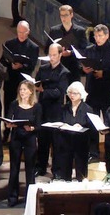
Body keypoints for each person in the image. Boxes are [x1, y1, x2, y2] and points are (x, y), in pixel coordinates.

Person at [83, 24, 110, 161]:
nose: (98, 38)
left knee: (109, 124)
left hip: (108, 93)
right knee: (92, 123)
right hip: (93, 91)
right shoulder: (90, 50)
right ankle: (92, 153)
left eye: (100, 36)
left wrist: (104, 73)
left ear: (107, 36)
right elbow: (82, 67)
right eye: (96, 36)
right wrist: (85, 70)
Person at [4, 80, 42, 207]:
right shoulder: (14, 104)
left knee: (30, 169)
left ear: (31, 91)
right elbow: (9, 119)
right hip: (16, 138)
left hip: (30, 138)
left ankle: (29, 198)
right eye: (21, 89)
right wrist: (9, 124)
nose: (22, 92)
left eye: (25, 89)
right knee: (14, 168)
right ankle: (12, 197)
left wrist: (31, 129)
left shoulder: (37, 106)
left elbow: (38, 126)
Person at [35, 43, 70, 177]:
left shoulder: (64, 72)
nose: (51, 57)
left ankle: (57, 170)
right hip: (43, 109)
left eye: (54, 55)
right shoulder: (43, 68)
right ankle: (41, 167)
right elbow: (37, 82)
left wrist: (44, 90)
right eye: (50, 54)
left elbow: (60, 92)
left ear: (61, 55)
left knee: (56, 143)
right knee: (42, 141)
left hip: (56, 111)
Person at [1, 20, 39, 143]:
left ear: (28, 32)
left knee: (23, 109)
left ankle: (20, 134)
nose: (21, 34)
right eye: (19, 32)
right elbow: (2, 61)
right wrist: (10, 64)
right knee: (8, 107)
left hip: (24, 83)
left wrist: (21, 66)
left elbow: (32, 66)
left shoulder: (33, 47)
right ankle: (6, 133)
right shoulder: (9, 43)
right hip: (11, 80)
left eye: (23, 32)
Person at [53, 81, 94, 181]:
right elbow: (59, 122)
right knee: (65, 171)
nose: (72, 95)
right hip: (66, 142)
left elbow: (91, 128)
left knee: (81, 172)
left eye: (75, 93)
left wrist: (81, 126)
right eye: (70, 92)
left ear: (81, 94)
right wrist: (63, 125)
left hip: (81, 142)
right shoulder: (64, 108)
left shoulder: (88, 109)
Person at [47, 5, 89, 82]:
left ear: (71, 15)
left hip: (73, 68)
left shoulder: (79, 31)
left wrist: (71, 53)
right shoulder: (54, 31)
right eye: (61, 15)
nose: (63, 18)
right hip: (57, 67)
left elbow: (84, 50)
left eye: (66, 15)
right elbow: (47, 49)